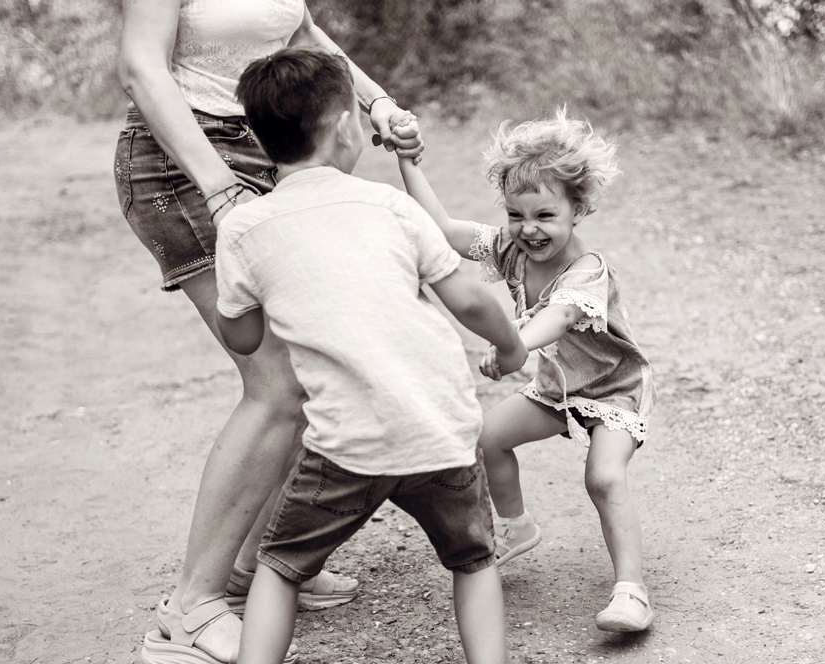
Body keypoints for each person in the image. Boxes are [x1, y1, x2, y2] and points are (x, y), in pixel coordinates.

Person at [114, 2, 423, 663]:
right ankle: (190, 610)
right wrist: (218, 185)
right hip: (182, 165)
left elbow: (304, 35)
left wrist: (378, 106)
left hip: (265, 153)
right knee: (279, 383)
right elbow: (143, 69)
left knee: (312, 370)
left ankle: (254, 571)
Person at [214, 48, 524, 664]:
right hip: (439, 429)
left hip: (346, 447)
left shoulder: (244, 228)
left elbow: (242, 338)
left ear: (256, 136)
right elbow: (469, 301)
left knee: (278, 566)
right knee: (474, 560)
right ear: (347, 126)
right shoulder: (390, 206)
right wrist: (511, 347)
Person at [396, 108, 659, 633]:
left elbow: (558, 320)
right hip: (557, 389)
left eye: (544, 216)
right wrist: (408, 162)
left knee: (603, 477)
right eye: (516, 215)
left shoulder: (588, 271)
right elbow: (446, 231)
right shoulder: (512, 249)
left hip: (612, 392)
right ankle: (516, 528)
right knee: (487, 437)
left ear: (578, 208)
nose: (528, 230)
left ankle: (632, 592)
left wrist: (511, 346)